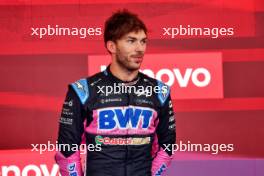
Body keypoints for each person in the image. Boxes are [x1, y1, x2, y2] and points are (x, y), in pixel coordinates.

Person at [55, 9, 176, 176]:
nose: (140, 48)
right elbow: (67, 150)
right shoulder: (83, 91)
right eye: (131, 41)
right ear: (111, 46)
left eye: (143, 41)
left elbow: (166, 147)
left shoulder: (159, 91)